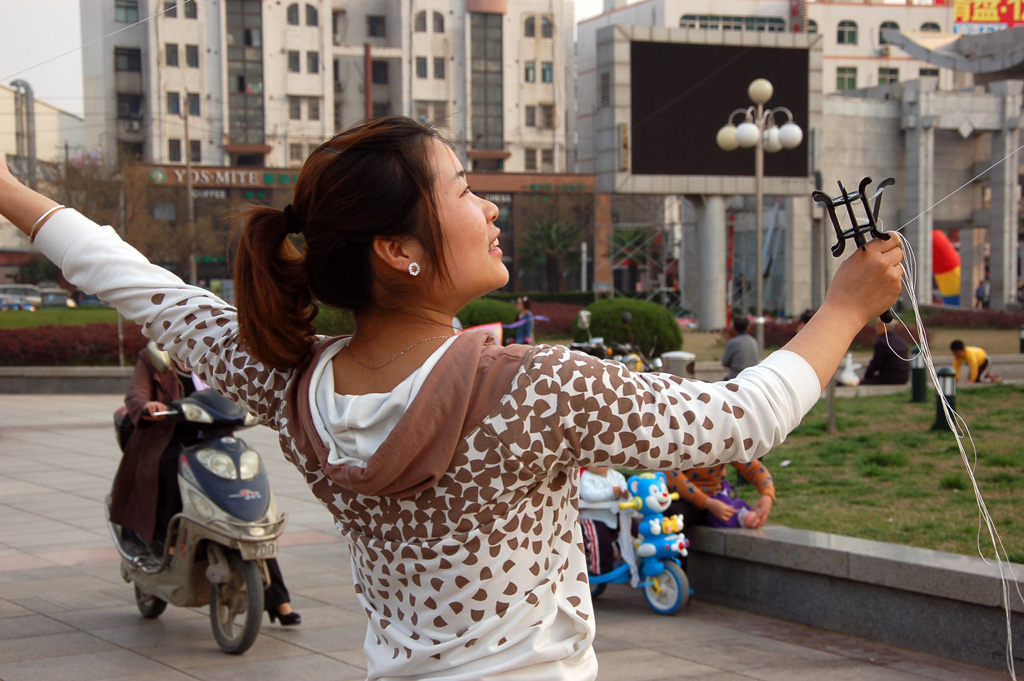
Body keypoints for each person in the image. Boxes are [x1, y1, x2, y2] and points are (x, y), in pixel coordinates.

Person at [1, 115, 903, 680]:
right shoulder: (536, 389)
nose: (492, 206)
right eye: (468, 190)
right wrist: (847, 304)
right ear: (401, 249)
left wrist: (8, 190)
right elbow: (740, 417)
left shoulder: (292, 381)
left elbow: (135, 284)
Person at [111, 344, 301, 626]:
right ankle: (168, 538)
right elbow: (135, 395)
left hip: (216, 441)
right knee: (171, 465)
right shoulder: (152, 359)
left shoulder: (214, 357)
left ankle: (278, 599)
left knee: (245, 512)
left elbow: (242, 386)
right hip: (169, 439)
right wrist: (147, 405)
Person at [666, 460, 775, 529]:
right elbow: (671, 474)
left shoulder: (725, 439)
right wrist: (707, 502)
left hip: (716, 498)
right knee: (673, 516)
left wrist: (767, 495)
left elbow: (753, 467)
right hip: (679, 498)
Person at [579, 466, 630, 576]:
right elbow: (588, 495)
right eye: (596, 460)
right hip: (593, 516)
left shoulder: (615, 475)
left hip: (613, 515)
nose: (601, 463)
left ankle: (627, 559)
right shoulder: (587, 477)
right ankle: (599, 569)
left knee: (630, 530)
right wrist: (611, 492)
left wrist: (625, 493)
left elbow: (624, 486)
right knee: (600, 541)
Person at [860, 319, 909, 385]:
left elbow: (875, 363)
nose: (875, 328)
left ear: (886, 327)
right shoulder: (900, 340)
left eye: (878, 326)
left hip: (890, 378)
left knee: (860, 383)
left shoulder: (882, 342)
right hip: (903, 378)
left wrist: (867, 377)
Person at [721, 315, 759, 379]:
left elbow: (725, 362)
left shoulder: (732, 343)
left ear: (734, 328)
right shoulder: (753, 341)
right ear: (748, 327)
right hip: (752, 377)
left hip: (736, 377)